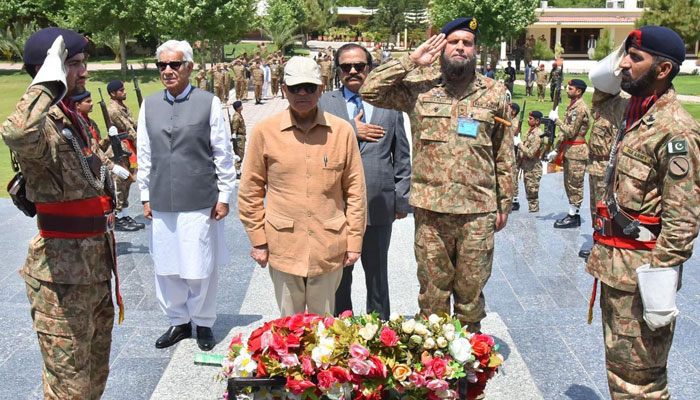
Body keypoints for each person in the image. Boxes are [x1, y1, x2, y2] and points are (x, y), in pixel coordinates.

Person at [360, 17, 514, 333]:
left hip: (477, 211)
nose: (460, 47)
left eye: (466, 42)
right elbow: (370, 90)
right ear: (442, 46)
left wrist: (504, 203)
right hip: (431, 211)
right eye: (453, 41)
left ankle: (470, 363)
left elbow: (504, 153)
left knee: (471, 294)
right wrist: (410, 61)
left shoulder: (495, 93)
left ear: (475, 49)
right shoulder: (420, 87)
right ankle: (436, 368)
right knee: (432, 295)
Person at [2, 27, 132, 399]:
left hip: (94, 269)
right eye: (74, 65)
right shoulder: (42, 124)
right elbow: (15, 132)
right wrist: (48, 83)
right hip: (61, 278)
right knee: (69, 390)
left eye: (82, 63)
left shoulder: (74, 118)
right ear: (52, 71)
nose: (84, 72)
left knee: (93, 380)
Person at [586, 26, 700, 399]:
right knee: (621, 375)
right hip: (614, 269)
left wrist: (657, 285)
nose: (624, 64)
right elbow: (599, 86)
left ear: (663, 70)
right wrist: (623, 53)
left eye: (636, 58)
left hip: (641, 277)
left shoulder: (675, 129)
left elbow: (683, 221)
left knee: (640, 384)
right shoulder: (632, 110)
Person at [238, 56, 367, 317]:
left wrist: (354, 241)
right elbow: (250, 190)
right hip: (284, 245)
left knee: (325, 329)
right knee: (288, 330)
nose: (302, 93)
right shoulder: (265, 132)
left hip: (328, 244)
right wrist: (258, 241)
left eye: (309, 87)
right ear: (284, 90)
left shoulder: (341, 132)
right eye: (295, 88)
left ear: (321, 89)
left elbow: (355, 191)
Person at [137, 39, 236, 351]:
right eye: (162, 65)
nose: (167, 70)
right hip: (162, 198)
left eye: (174, 64)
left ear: (189, 67)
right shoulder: (149, 105)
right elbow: (144, 153)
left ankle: (204, 322)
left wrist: (224, 195)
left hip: (199, 198)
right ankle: (178, 321)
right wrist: (144, 195)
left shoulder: (209, 102)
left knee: (199, 265)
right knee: (166, 265)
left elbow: (223, 152)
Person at [319, 43, 411, 320]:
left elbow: (402, 155)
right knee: (338, 278)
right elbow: (312, 147)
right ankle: (341, 332)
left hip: (378, 203)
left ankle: (379, 332)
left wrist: (401, 198)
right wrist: (349, 129)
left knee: (377, 275)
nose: (353, 71)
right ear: (338, 71)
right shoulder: (324, 104)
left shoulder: (388, 103)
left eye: (359, 66)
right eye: (346, 67)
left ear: (370, 68)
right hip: (336, 206)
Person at [546, 79, 590, 228]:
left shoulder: (580, 108)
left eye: (570, 88)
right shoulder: (572, 107)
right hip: (569, 149)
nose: (567, 90)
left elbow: (570, 132)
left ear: (578, 91)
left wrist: (556, 120)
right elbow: (564, 134)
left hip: (577, 151)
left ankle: (573, 215)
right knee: (569, 183)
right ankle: (573, 213)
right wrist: (557, 149)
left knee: (575, 184)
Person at [578, 91, 617, 259]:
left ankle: (604, 246)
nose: (595, 100)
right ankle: (597, 241)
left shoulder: (612, 120)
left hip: (604, 166)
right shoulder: (600, 116)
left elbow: (617, 146)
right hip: (594, 166)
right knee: (594, 207)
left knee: (604, 208)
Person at [107, 80, 144, 232]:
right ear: (113, 94)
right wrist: (143, 144)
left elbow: (133, 123)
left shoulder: (122, 107)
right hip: (119, 150)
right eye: (121, 90)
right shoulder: (114, 110)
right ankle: (118, 217)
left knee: (127, 184)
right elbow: (129, 129)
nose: (124, 92)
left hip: (127, 149)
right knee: (119, 186)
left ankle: (125, 214)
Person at [515, 111, 545, 212]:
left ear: (537, 121)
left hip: (533, 168)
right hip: (527, 166)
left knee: (532, 194)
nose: (528, 120)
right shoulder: (530, 132)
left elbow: (531, 153)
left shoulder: (538, 134)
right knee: (529, 192)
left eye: (530, 118)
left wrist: (519, 144)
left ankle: (533, 214)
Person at [509, 103, 521, 211]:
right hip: (508, 150)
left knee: (513, 175)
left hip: (513, 151)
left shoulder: (515, 123)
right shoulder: (510, 120)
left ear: (514, 111)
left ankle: (515, 200)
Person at [231, 100, 246, 178]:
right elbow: (234, 128)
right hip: (239, 138)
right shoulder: (237, 117)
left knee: (241, 154)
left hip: (241, 137)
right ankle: (237, 172)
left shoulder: (239, 114)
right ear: (238, 108)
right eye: (241, 105)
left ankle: (238, 170)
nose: (242, 106)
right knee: (239, 155)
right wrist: (234, 137)